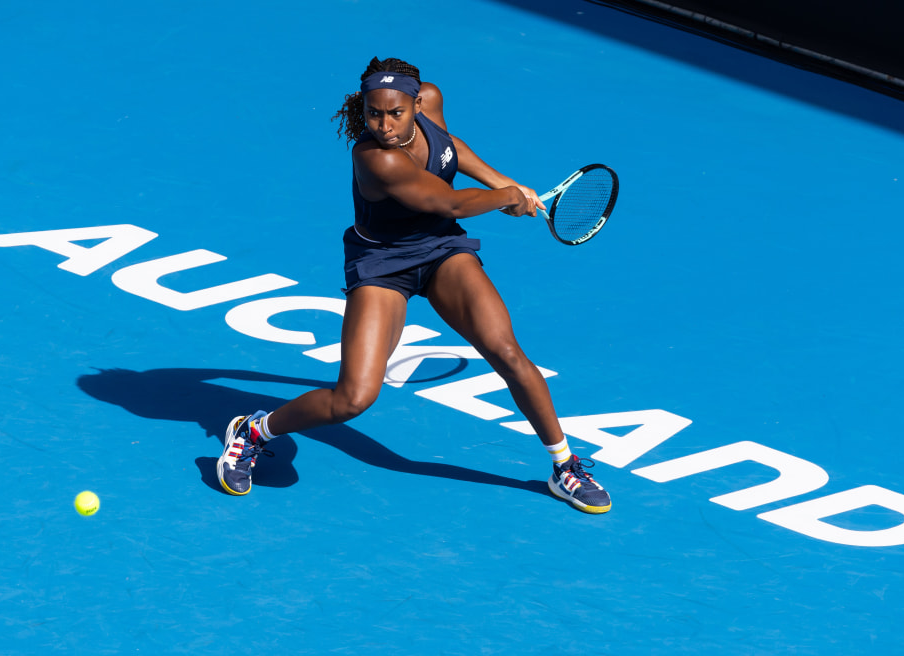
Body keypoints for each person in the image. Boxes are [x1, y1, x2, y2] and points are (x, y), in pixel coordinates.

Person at [216, 57, 610, 514]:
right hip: (381, 264)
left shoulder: (432, 102)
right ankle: (253, 430)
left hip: (441, 250)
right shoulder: (374, 158)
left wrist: (502, 181)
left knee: (507, 352)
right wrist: (505, 198)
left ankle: (564, 467)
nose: (383, 124)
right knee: (353, 399)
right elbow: (449, 202)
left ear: (417, 103)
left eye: (396, 113)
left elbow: (451, 150)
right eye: (374, 113)